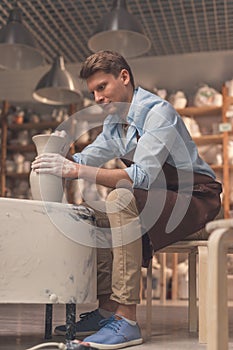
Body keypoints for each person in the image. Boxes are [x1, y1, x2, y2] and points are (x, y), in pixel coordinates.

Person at [31, 50, 222, 350]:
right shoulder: (114, 125)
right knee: (92, 214)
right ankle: (107, 311)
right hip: (164, 198)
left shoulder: (158, 113)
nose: (97, 97)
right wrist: (54, 156)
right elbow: (83, 158)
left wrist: (76, 169)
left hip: (196, 199)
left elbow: (140, 178)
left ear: (124, 77)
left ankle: (126, 319)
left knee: (120, 197)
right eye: (93, 91)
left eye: (102, 87)